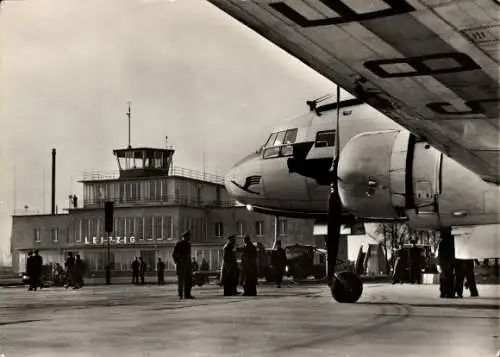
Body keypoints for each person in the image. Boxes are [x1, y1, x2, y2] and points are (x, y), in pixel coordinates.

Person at [173, 230, 194, 299]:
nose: (189, 238)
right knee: (181, 281)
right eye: (188, 237)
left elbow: (189, 255)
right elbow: (174, 254)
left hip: (187, 264)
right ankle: (180, 295)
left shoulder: (188, 244)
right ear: (184, 237)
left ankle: (187, 294)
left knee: (189, 280)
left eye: (189, 237)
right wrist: (177, 262)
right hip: (181, 264)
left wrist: (190, 264)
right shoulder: (179, 243)